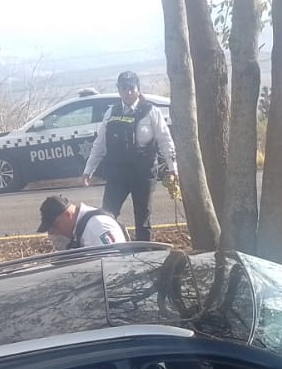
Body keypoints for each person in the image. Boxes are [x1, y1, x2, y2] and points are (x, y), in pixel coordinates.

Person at [81, 71, 177, 242]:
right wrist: (88, 170)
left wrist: (173, 168)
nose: (128, 92)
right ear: (119, 90)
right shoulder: (111, 113)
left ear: (138, 89)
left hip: (143, 172)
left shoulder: (151, 112)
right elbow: (99, 144)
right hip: (118, 173)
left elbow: (165, 141)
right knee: (107, 214)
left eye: (132, 88)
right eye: (124, 88)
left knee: (143, 217)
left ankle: (145, 254)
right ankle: (110, 248)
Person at [37, 195, 127, 251]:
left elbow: (114, 262)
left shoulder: (98, 227)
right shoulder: (79, 230)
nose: (52, 233)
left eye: (54, 226)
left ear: (67, 215)